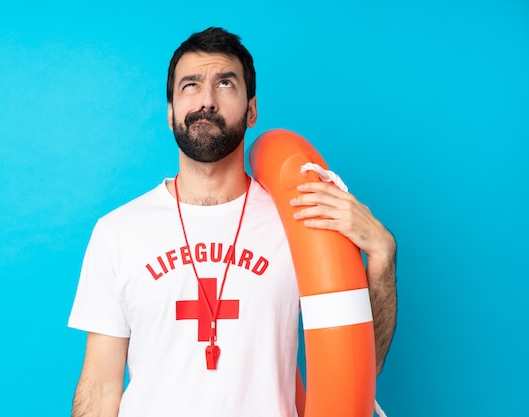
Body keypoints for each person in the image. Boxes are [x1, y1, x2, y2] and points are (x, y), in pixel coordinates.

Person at [68, 27, 397, 417]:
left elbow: (358, 370)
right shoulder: (116, 233)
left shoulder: (302, 221)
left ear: (251, 110)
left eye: (225, 83)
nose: (206, 101)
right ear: (171, 111)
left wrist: (382, 258)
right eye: (190, 85)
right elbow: (101, 386)